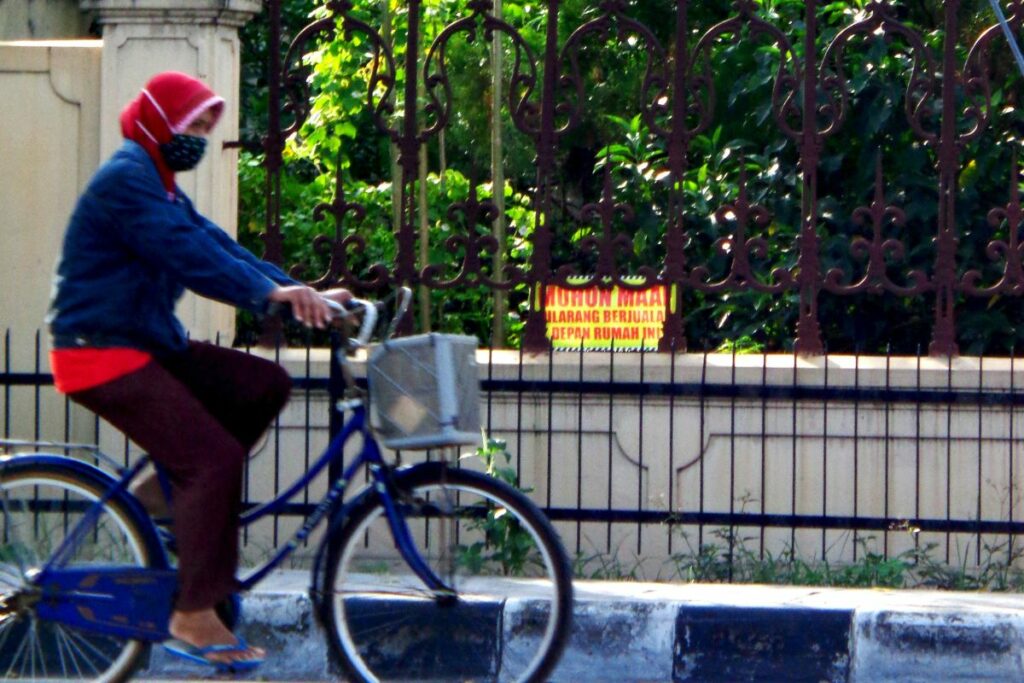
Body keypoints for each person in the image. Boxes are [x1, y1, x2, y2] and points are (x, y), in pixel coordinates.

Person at [46, 71, 348, 670]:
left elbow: (214, 243)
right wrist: (269, 297)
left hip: (146, 345)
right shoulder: (127, 182)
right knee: (213, 457)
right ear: (161, 122)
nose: (203, 137)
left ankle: (161, 493)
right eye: (194, 126)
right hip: (100, 353)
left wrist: (290, 288)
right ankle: (191, 612)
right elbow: (189, 257)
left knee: (264, 383)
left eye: (208, 128)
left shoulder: (161, 186)